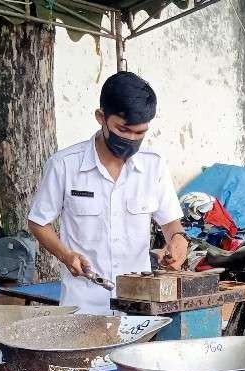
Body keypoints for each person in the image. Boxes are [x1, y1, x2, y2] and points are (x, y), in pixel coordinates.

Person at [28, 71, 187, 314]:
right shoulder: (64, 165)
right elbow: (39, 222)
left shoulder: (153, 165)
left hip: (139, 304)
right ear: (101, 117)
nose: (132, 139)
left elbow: (171, 223)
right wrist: (66, 255)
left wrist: (177, 240)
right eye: (123, 130)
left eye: (140, 133)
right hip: (83, 305)